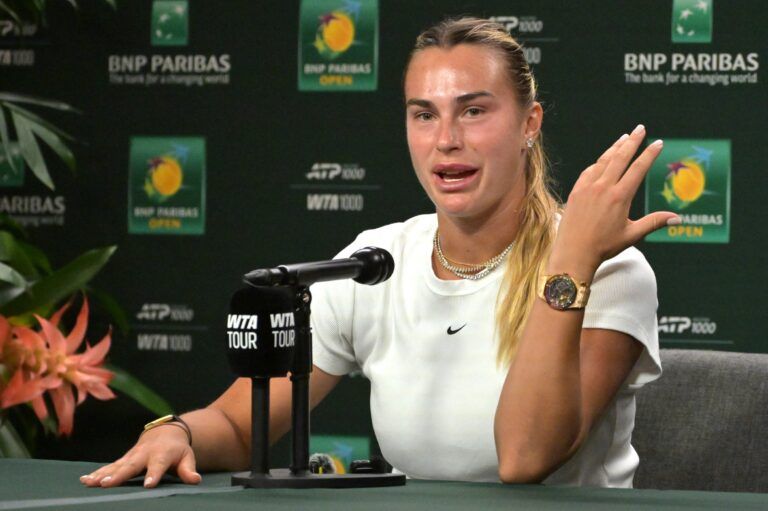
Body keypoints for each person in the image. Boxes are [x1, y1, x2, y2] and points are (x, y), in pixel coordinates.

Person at [80, 17, 678, 489]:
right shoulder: (376, 261)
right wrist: (178, 432)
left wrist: (570, 260)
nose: (447, 140)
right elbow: (239, 427)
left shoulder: (610, 270)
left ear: (529, 123)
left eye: (473, 110)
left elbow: (524, 460)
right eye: (425, 114)